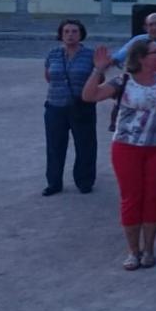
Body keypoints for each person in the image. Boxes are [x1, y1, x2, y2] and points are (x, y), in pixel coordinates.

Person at [83, 40, 156, 270]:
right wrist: (98, 69)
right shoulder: (123, 81)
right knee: (131, 197)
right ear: (141, 58)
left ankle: (149, 248)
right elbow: (89, 96)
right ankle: (133, 251)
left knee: (152, 197)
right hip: (127, 147)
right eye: (154, 52)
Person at [42, 19, 97, 196]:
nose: (70, 35)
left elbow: (98, 80)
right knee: (55, 146)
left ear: (81, 34)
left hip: (81, 106)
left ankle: (84, 181)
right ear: (61, 34)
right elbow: (49, 77)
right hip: (55, 107)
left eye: (74, 31)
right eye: (66, 31)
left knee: (85, 145)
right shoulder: (53, 53)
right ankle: (54, 182)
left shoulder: (90, 55)